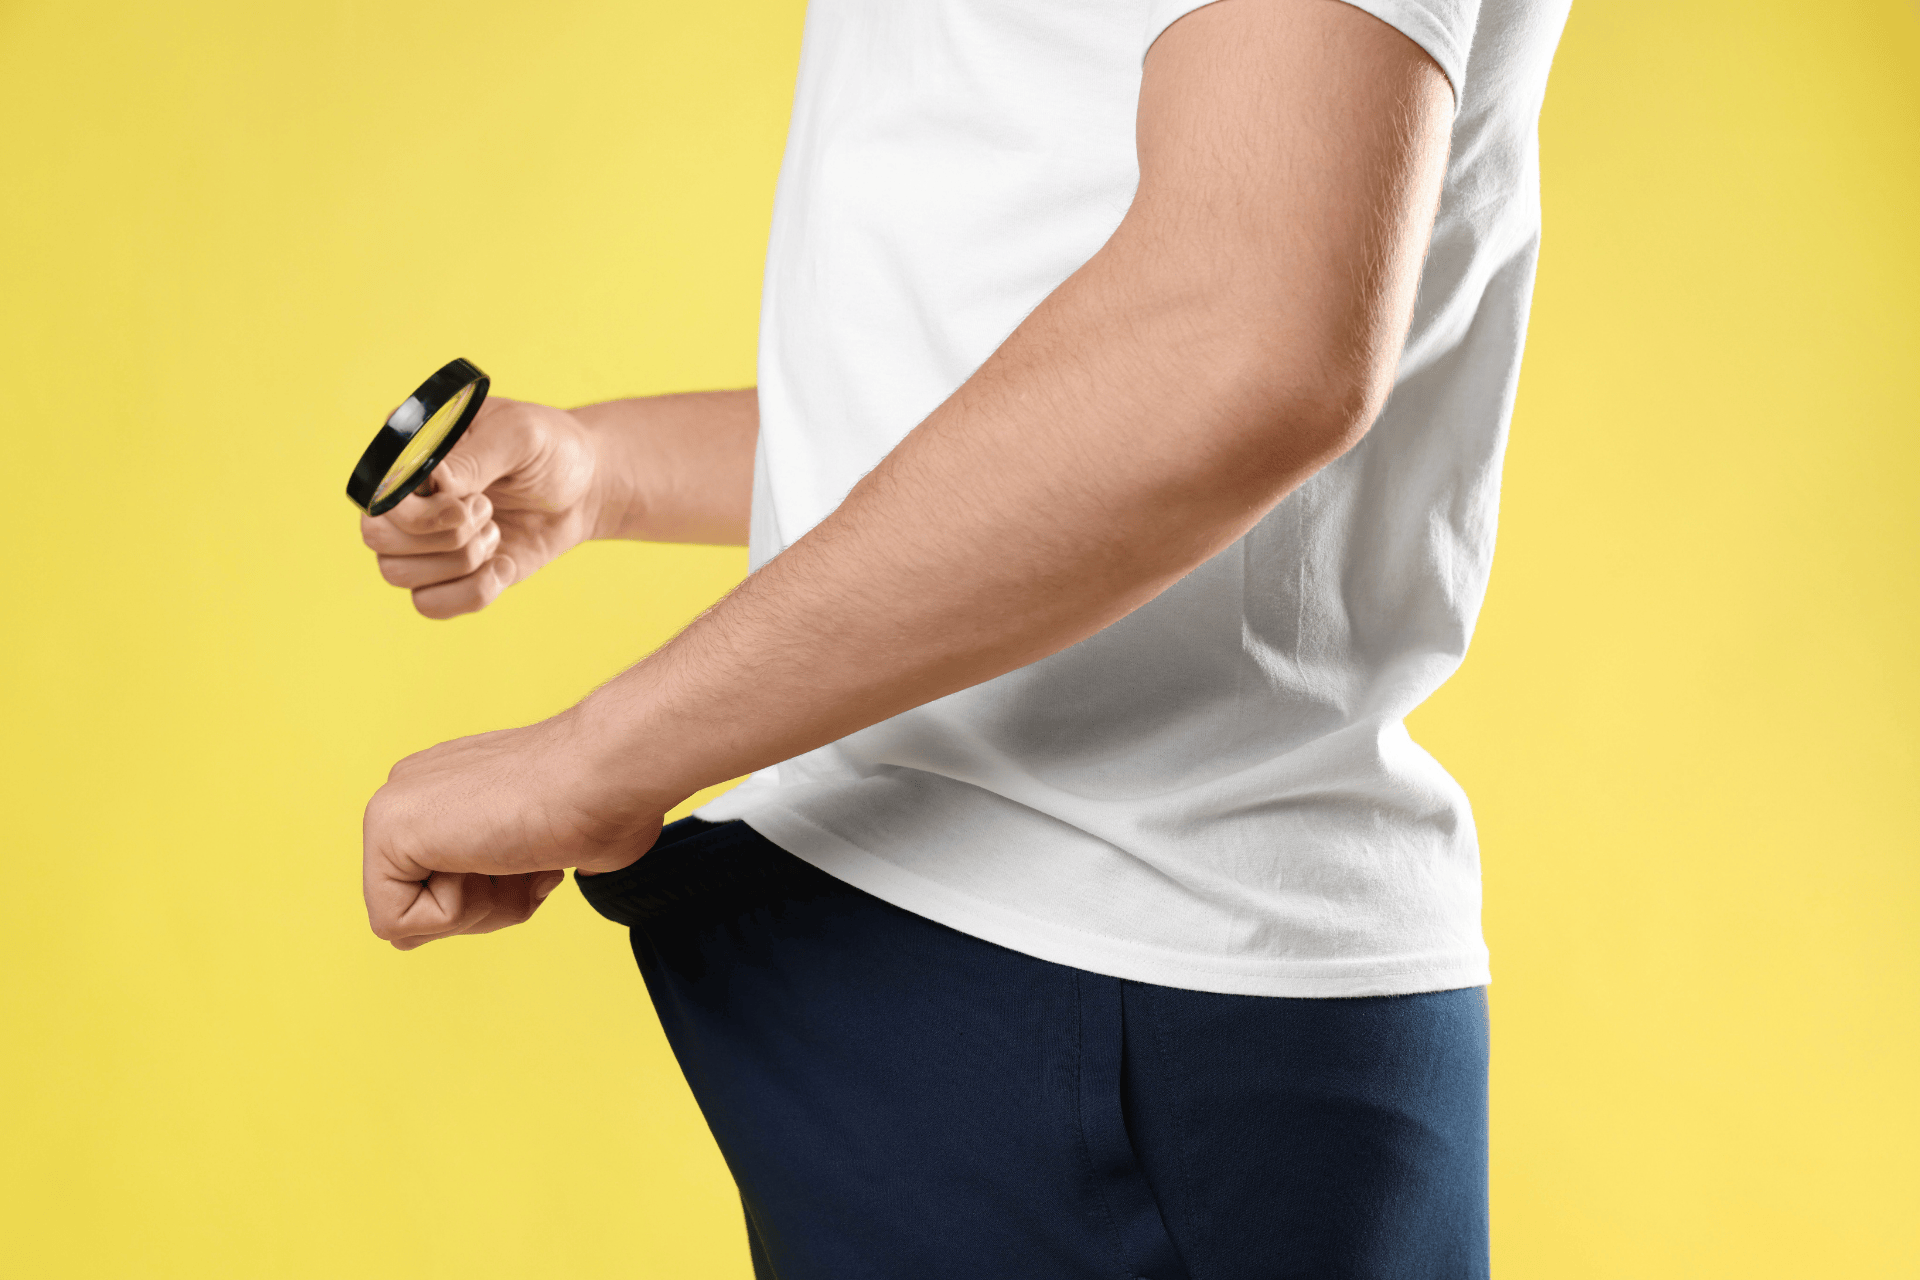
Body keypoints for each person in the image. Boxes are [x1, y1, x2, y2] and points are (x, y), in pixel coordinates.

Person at [357, 0, 1569, 1273]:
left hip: (1113, 1000)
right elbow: (1037, 375)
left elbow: (1240, 340)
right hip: (989, 983)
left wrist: (592, 760)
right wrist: (615, 471)